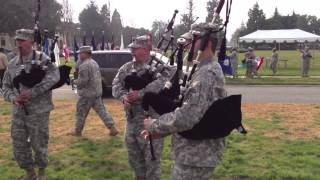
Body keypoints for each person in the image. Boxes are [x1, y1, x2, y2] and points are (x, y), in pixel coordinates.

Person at [142, 23, 226, 180]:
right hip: (193, 153)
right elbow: (193, 113)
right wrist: (161, 132)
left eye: (192, 41)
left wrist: (154, 125)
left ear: (206, 44)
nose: (187, 47)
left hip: (196, 156)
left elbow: (187, 116)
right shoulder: (204, 70)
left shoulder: (206, 74)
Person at [2, 29, 60, 180]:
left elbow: (54, 77)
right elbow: (6, 87)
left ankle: (41, 172)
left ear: (31, 42)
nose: (18, 43)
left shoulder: (42, 59)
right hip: (19, 112)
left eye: (22, 40)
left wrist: (33, 92)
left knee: (38, 142)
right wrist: (14, 98)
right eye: (17, 40)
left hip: (38, 111)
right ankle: (29, 172)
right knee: (19, 143)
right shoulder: (13, 63)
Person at [112, 35, 171, 180]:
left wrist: (140, 94)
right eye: (131, 48)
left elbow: (163, 84)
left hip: (151, 123)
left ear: (145, 50)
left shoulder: (160, 69)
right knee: (135, 163)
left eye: (135, 48)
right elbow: (116, 85)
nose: (131, 51)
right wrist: (124, 97)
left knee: (152, 163)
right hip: (131, 123)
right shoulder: (126, 68)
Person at [68, 46, 119, 137]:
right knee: (102, 112)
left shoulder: (84, 65)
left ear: (85, 53)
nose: (79, 55)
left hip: (87, 94)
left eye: (81, 53)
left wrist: (73, 81)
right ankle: (112, 128)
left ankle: (77, 131)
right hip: (96, 92)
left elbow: (83, 81)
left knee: (80, 112)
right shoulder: (94, 63)